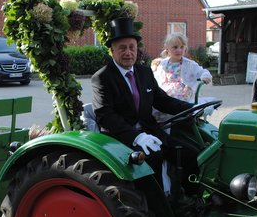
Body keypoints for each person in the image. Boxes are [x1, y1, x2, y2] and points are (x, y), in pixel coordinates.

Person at [91, 17, 195, 187]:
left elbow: (162, 100)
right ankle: (158, 210)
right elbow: (105, 116)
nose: (128, 52)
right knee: (153, 157)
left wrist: (192, 108)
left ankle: (190, 199)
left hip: (151, 132)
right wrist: (136, 136)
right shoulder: (102, 78)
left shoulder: (144, 72)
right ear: (112, 51)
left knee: (189, 153)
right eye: (122, 48)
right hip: (120, 137)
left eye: (132, 47)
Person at [154, 33, 212, 102]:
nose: (179, 50)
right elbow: (156, 78)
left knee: (174, 98)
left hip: (183, 91)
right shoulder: (163, 63)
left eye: (182, 47)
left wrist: (205, 77)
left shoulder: (189, 64)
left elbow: (202, 71)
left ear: (185, 48)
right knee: (156, 99)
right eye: (175, 47)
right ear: (167, 49)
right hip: (165, 90)